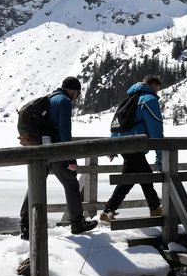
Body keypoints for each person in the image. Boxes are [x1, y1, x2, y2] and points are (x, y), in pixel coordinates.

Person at [19, 76, 99, 239]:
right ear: (72, 90)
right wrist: (71, 158)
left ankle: (25, 225)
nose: (77, 97)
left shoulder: (51, 98)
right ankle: (77, 223)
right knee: (71, 184)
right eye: (77, 93)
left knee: (36, 184)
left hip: (42, 149)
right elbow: (64, 131)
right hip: (57, 151)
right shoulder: (64, 101)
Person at [100, 75, 165, 224]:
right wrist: (160, 154)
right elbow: (155, 128)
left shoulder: (128, 99)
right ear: (153, 86)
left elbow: (117, 124)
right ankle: (154, 209)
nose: (157, 92)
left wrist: (114, 146)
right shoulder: (149, 99)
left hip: (125, 145)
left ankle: (110, 211)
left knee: (135, 177)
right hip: (136, 144)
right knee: (139, 178)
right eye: (158, 89)